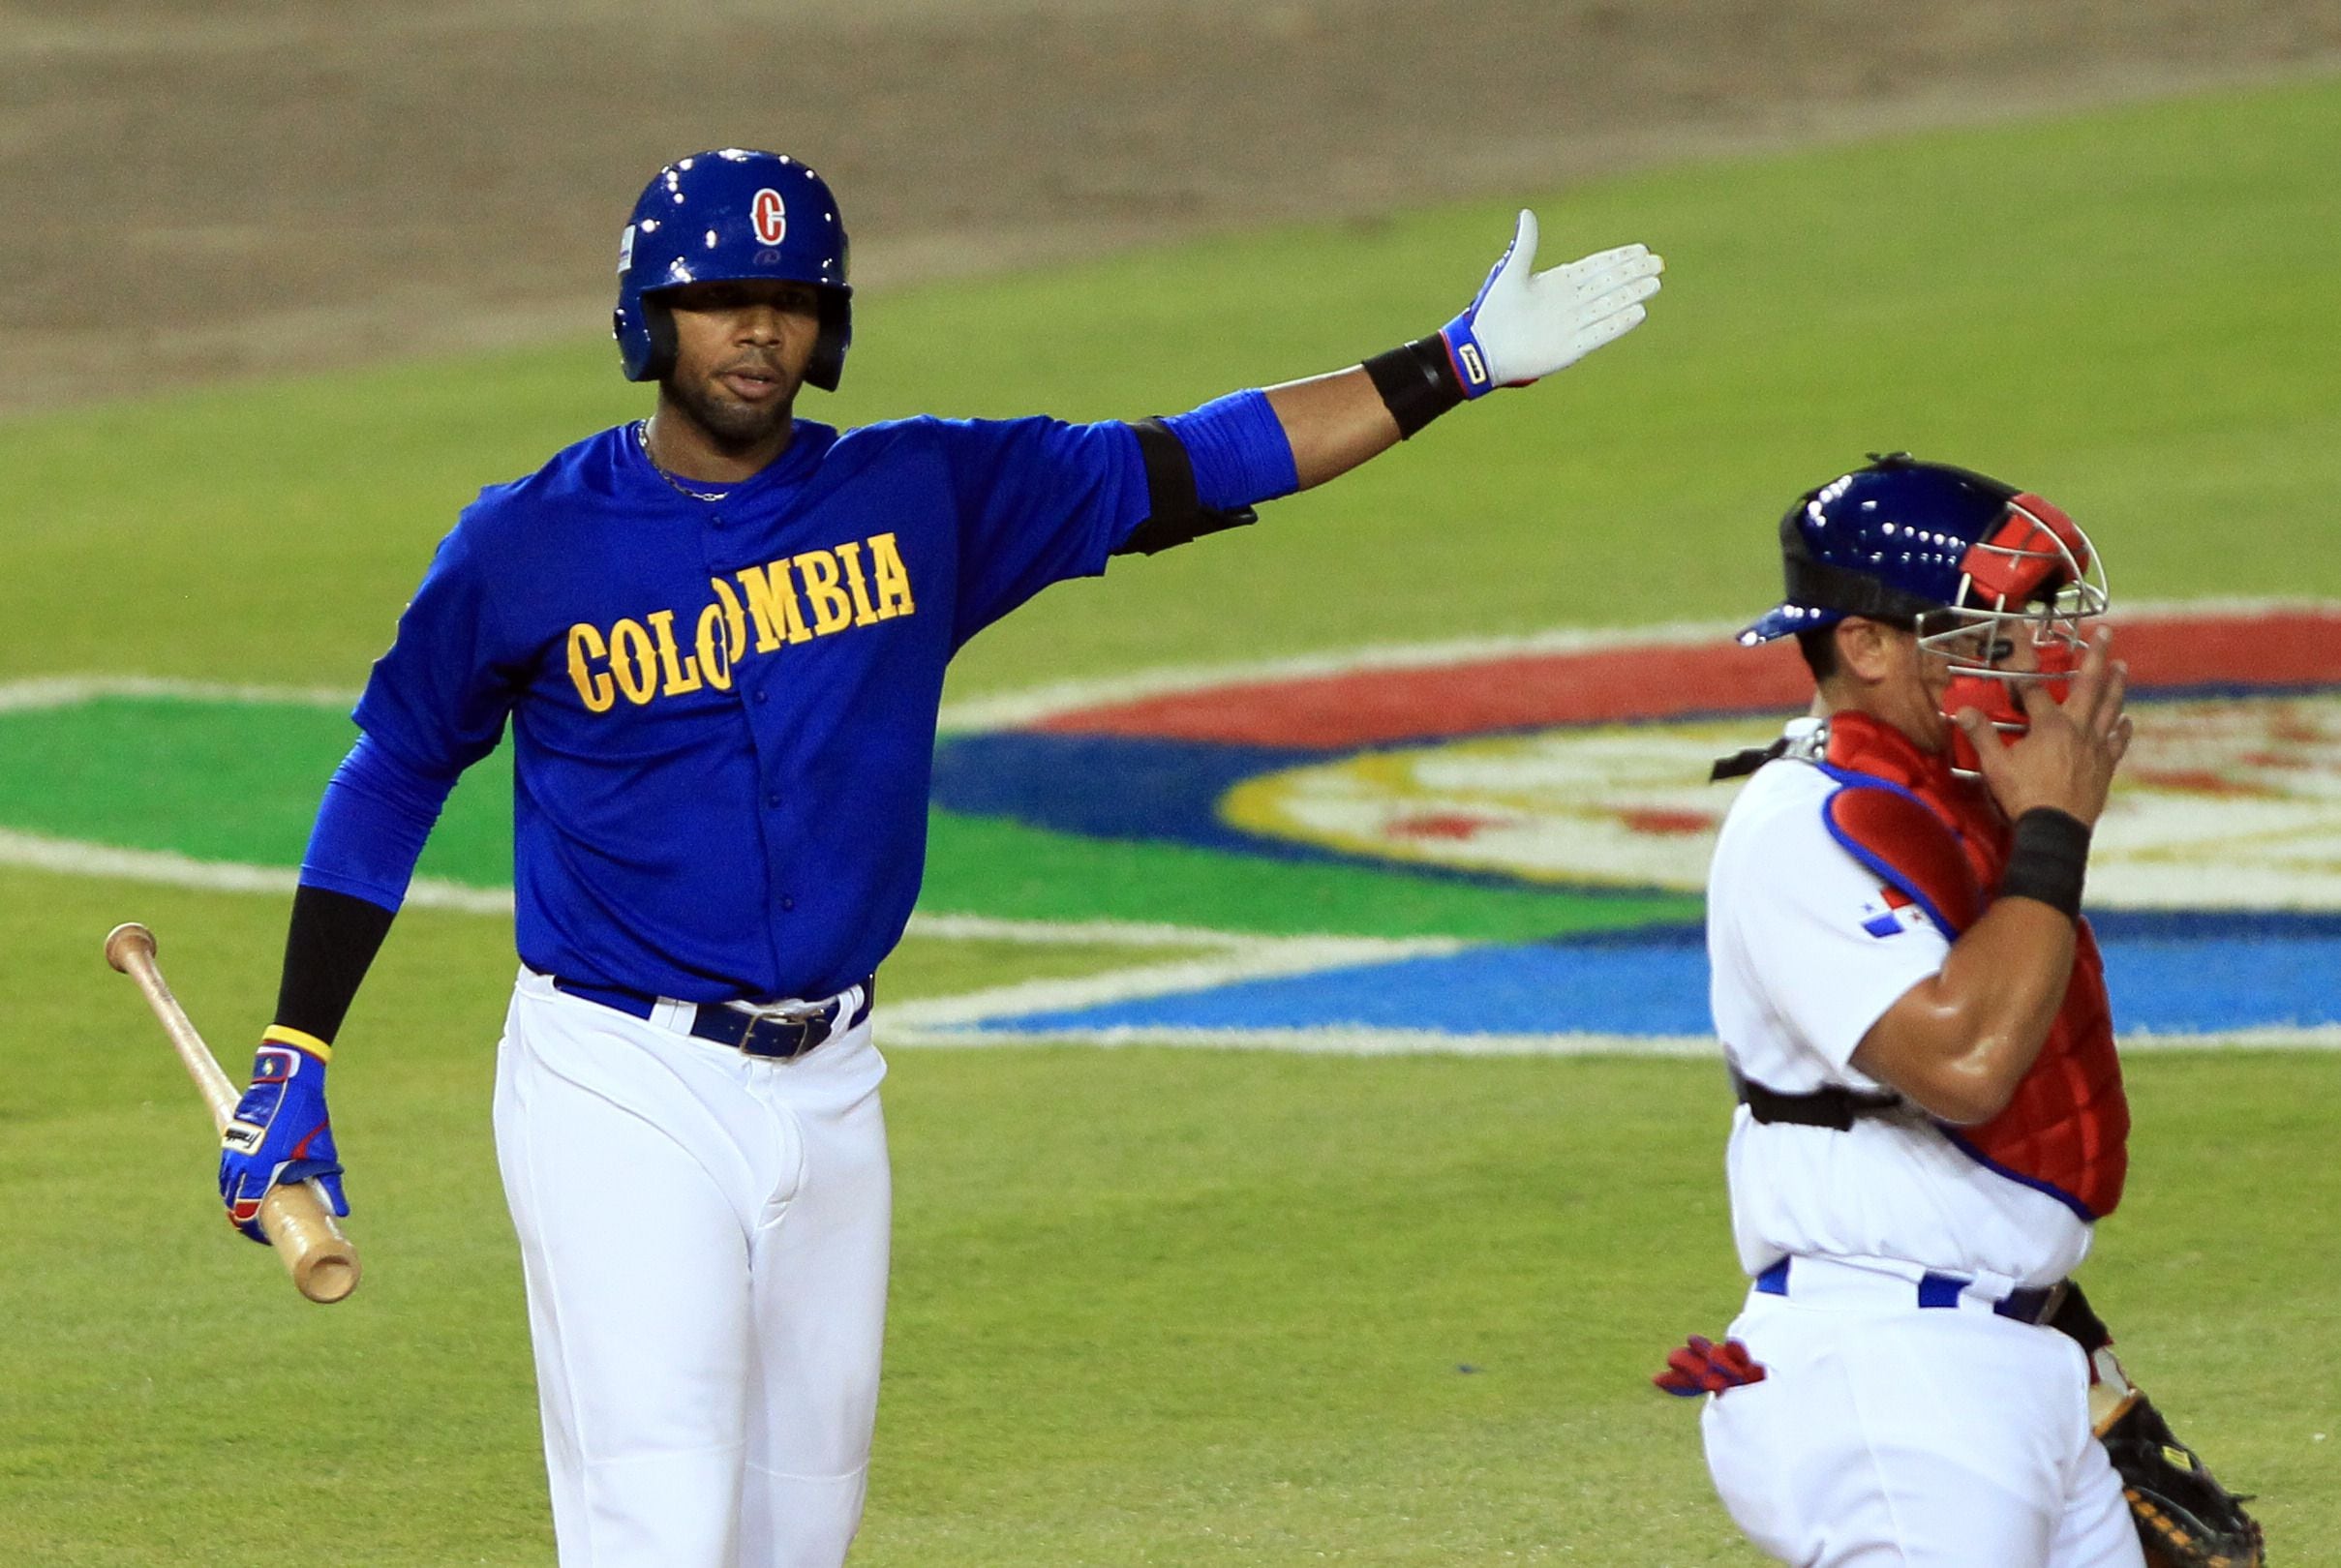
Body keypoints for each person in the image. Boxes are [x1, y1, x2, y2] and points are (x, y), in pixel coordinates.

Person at [208, 147, 1663, 1568]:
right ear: (651, 318)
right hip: (616, 1081)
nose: (758, 328)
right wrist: (296, 1040)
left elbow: (1197, 457)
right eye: (721, 296)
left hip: (834, 1084)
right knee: (660, 1520)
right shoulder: (525, 544)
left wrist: (1456, 363)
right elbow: (394, 770)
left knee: (800, 1530)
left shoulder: (925, 497)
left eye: (790, 297)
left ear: (830, 325)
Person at [1679, 453, 2148, 1565]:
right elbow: (1968, 1063)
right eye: (1978, 632)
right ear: (1867, 643)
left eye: (2023, 627)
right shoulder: (1805, 827)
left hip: (2012, 1358)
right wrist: (2057, 835)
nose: (2022, 658)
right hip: (1887, 1379)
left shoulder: (1960, 805)